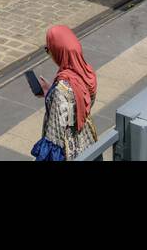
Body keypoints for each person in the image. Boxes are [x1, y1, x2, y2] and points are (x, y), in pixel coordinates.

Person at [31, 25, 98, 161]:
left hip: (70, 153)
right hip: (88, 144)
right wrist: (50, 92)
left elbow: (55, 138)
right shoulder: (86, 73)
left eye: (48, 49)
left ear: (59, 51)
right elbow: (75, 107)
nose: (49, 53)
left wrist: (55, 94)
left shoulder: (61, 90)